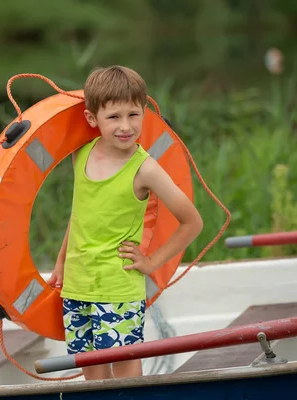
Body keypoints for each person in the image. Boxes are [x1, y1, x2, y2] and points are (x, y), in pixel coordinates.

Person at [46, 65, 203, 380]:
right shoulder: (82, 154)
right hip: (78, 286)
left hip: (118, 288)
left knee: (126, 370)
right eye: (114, 117)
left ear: (144, 113)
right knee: (90, 369)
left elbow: (192, 222)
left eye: (133, 115)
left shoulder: (145, 169)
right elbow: (79, 214)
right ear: (93, 119)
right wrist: (62, 261)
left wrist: (151, 262)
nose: (125, 126)